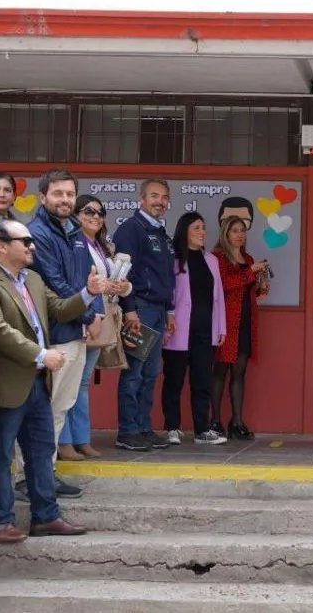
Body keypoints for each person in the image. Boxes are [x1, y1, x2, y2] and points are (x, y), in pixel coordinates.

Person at [0, 219, 106, 545]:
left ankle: (46, 516)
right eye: (24, 241)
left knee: (41, 451)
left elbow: (58, 309)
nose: (31, 246)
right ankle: (0, 521)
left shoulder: (34, 279)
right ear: (1, 244)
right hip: (5, 383)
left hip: (37, 384)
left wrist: (88, 293)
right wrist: (41, 356)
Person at [23, 168, 104, 496]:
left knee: (60, 407)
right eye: (58, 194)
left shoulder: (73, 230)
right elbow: (55, 283)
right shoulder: (37, 233)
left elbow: (87, 280)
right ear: (43, 197)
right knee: (42, 410)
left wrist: (89, 316)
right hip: (52, 334)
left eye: (70, 194)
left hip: (74, 330)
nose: (65, 200)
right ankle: (28, 478)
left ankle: (46, 472)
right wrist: (88, 316)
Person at [58, 194, 133, 459]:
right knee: (68, 382)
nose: (95, 216)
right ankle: (64, 441)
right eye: (88, 211)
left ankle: (81, 438)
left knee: (81, 383)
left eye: (100, 212)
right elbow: (74, 284)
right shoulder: (72, 244)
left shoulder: (101, 246)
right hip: (81, 318)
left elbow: (117, 282)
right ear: (75, 214)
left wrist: (124, 286)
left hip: (101, 319)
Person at [114, 179, 177, 452]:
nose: (159, 201)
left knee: (151, 373)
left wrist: (170, 311)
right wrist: (129, 310)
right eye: (154, 196)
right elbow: (122, 272)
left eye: (164, 197)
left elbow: (166, 277)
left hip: (158, 310)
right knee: (134, 373)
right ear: (141, 198)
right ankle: (127, 431)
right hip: (139, 309)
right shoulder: (131, 229)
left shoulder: (161, 233)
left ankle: (143, 428)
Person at [162, 212, 228, 445]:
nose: (202, 232)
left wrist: (221, 327)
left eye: (203, 228)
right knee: (174, 380)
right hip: (178, 330)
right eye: (196, 228)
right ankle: (172, 427)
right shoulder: (173, 259)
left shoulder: (211, 260)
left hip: (204, 330)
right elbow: (167, 295)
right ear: (185, 231)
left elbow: (218, 297)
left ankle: (202, 430)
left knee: (202, 381)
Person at [209, 215, 269, 440]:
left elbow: (250, 289)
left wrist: (261, 281)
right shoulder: (217, 257)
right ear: (225, 233)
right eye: (234, 230)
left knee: (239, 372)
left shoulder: (247, 257)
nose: (239, 235)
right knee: (219, 371)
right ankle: (214, 420)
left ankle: (237, 421)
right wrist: (250, 271)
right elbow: (224, 285)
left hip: (245, 320)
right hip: (226, 321)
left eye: (242, 230)